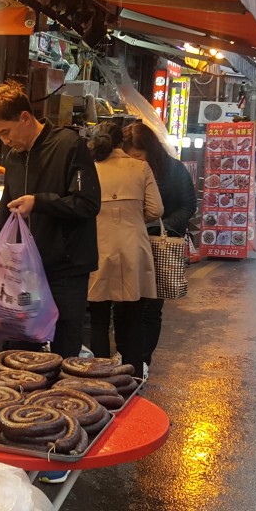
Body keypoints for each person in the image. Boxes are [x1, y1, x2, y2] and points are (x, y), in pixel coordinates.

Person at [0, 81, 101, 359]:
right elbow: (4, 214)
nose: (4, 140)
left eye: (6, 131)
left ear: (25, 118)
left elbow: (88, 204)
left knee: (66, 346)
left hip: (66, 268)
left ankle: (65, 400)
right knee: (22, 346)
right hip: (24, 270)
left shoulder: (69, 146)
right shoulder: (14, 158)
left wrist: (39, 202)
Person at [88, 121, 163, 376]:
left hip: (98, 247)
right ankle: (132, 377)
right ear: (122, 142)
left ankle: (98, 376)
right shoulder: (141, 167)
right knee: (133, 318)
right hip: (134, 248)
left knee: (97, 318)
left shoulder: (90, 169)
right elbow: (156, 210)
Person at [123, 121, 197, 372]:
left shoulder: (173, 170)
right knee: (125, 305)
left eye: (138, 156)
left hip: (158, 244)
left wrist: (159, 226)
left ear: (150, 151)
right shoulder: (127, 170)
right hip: (129, 244)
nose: (134, 161)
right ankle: (125, 357)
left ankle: (143, 359)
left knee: (151, 308)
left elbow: (188, 207)